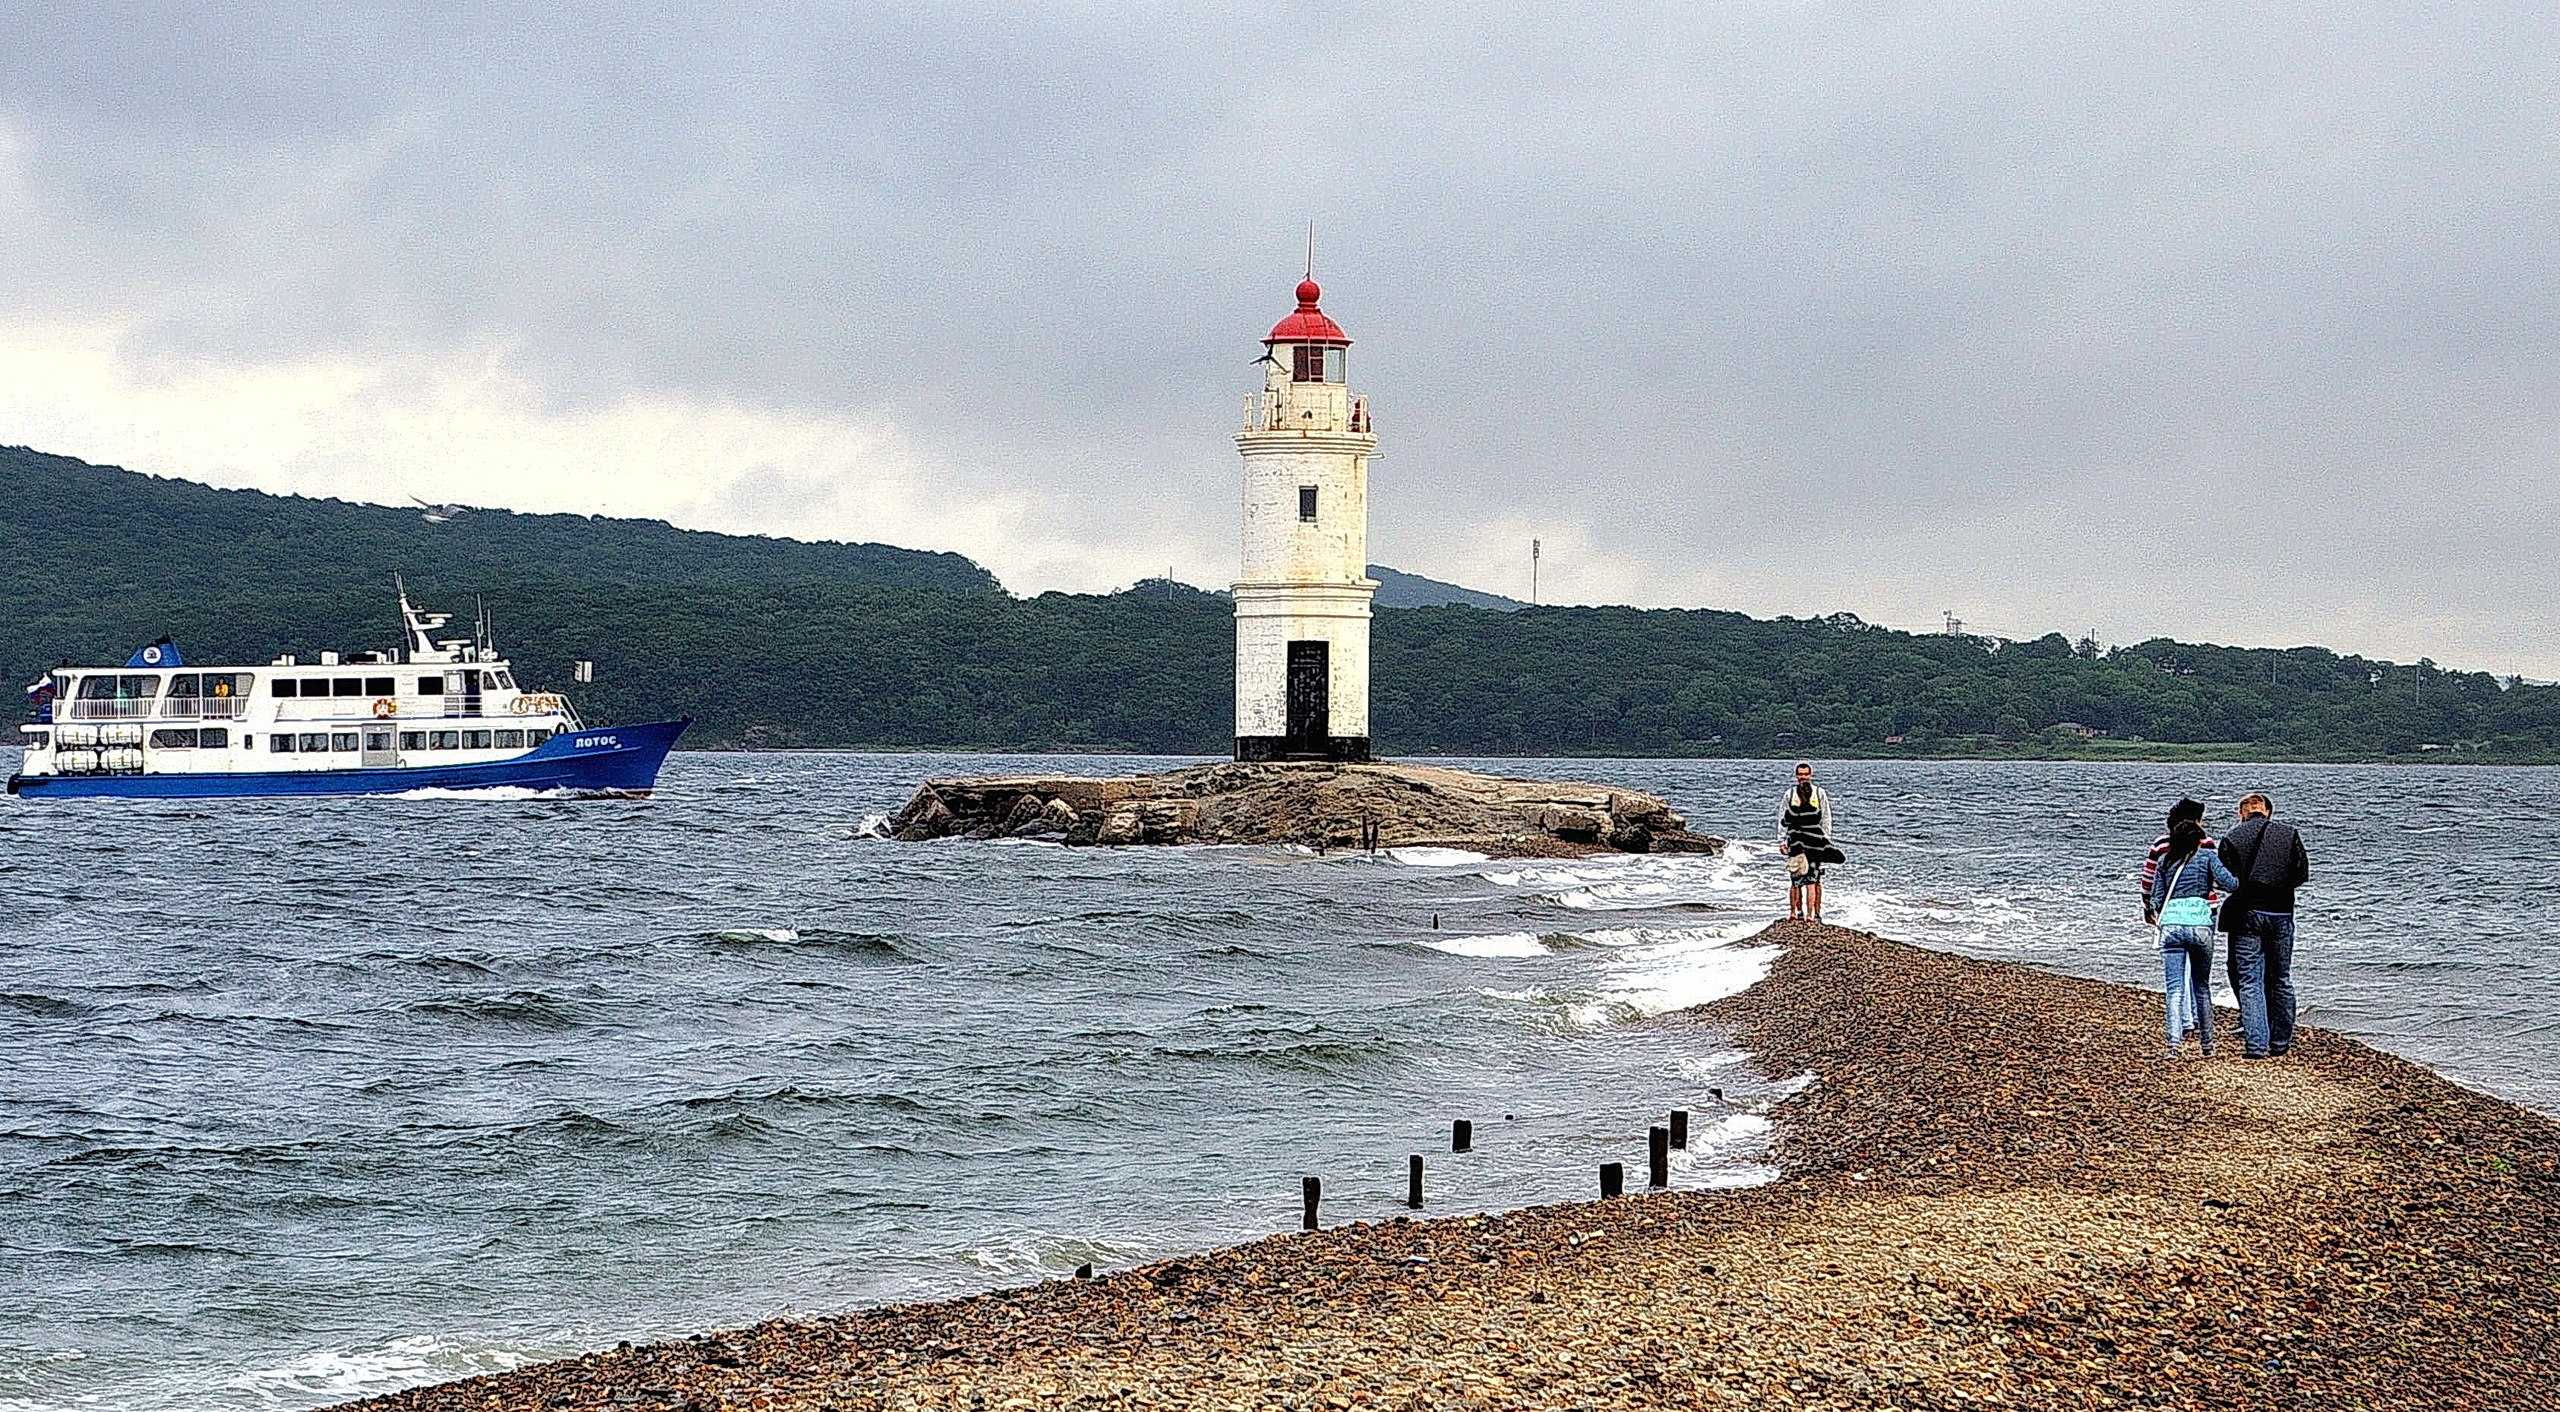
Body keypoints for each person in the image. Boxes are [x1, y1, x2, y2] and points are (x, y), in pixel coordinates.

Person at [2216, 792, 2312, 1059]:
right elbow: (2301, 874)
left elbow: (2225, 878)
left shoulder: (2232, 838)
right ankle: (2281, 1042)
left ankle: (2257, 1045)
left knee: (2249, 980)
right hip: (2282, 912)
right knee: (2281, 978)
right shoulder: (2289, 833)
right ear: (2268, 811)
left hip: (2246, 914)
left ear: (2241, 813)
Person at [2148, 816, 2238, 1058]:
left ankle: (2173, 1047)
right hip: (2200, 925)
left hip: (2171, 927)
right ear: (2199, 840)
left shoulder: (2165, 861)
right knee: (2201, 986)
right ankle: (2207, 1046)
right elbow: (2230, 884)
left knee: (2174, 989)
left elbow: (2156, 899)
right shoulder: (2207, 856)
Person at [2139, 797, 2215, 925]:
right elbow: (2215, 878)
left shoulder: (2161, 844)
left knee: (2171, 943)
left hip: (2169, 909)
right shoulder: (2206, 843)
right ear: (2195, 821)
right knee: (2201, 943)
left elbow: (2148, 881)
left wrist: (2147, 908)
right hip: (2203, 907)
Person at [1779, 763, 1837, 922]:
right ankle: (1797, 912)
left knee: (1815, 879)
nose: (1803, 777)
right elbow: (1782, 819)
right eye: (1800, 774)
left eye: (1806, 774)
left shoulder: (1819, 793)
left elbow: (1826, 819)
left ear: (1811, 775)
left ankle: (1816, 913)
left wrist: (1826, 841)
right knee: (1796, 879)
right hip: (1795, 843)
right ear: (1796, 776)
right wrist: (1782, 840)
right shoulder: (1790, 794)